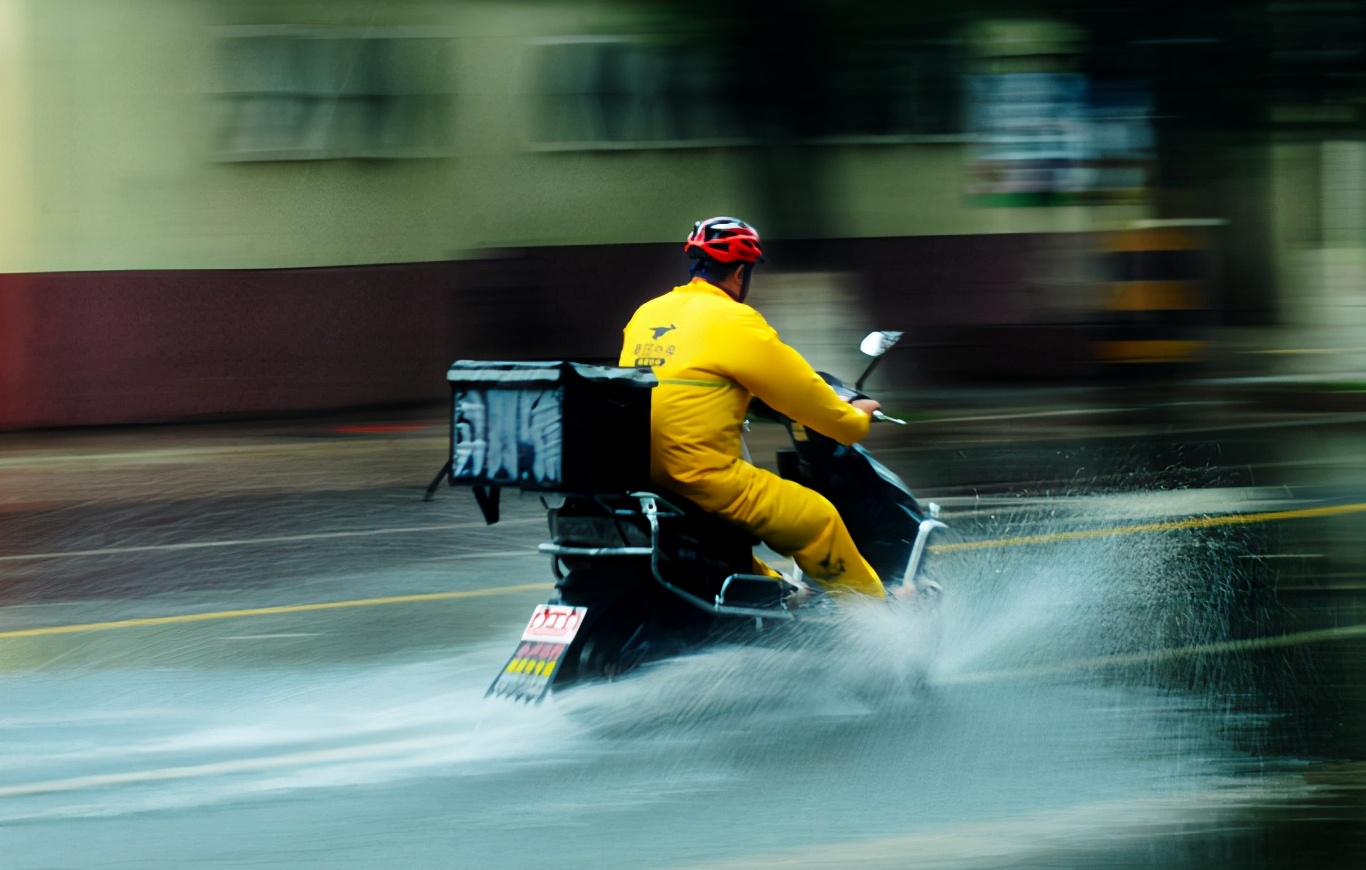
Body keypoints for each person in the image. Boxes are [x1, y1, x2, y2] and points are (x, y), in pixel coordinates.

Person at [619, 216, 886, 598]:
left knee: (740, 549)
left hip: (648, 477)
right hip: (703, 478)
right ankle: (873, 620)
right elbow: (806, 394)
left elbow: (682, 386)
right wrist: (854, 418)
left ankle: (782, 600)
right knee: (818, 520)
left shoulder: (646, 315)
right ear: (741, 273)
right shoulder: (736, 320)